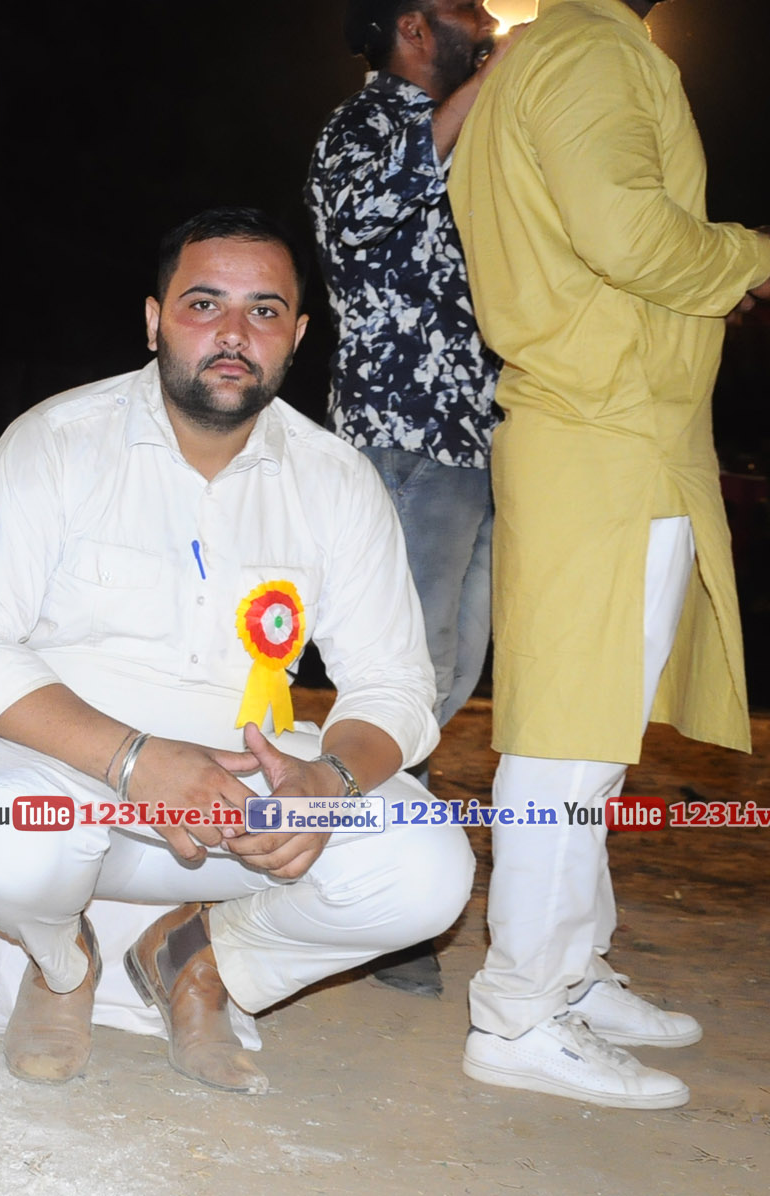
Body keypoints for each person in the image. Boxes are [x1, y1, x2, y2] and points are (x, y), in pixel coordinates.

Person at [0, 207, 474, 1094]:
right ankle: (61, 964)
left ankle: (200, 961)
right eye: (204, 304)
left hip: (246, 807)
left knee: (428, 869)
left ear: (297, 335)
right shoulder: (57, 442)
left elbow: (396, 685)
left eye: (264, 311)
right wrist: (134, 759)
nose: (233, 334)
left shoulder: (336, 480)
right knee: (3, 838)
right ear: (154, 319)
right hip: (68, 779)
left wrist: (327, 783)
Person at [449, 0, 770, 1109]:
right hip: (605, 430)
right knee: (569, 740)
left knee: (590, 733)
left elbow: (602, 246)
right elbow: (630, 237)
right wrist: (765, 259)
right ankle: (520, 1012)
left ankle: (570, 967)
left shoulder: (557, 51)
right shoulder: (592, 50)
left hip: (611, 427)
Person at [305, 0, 511, 998]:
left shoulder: (469, 129)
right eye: (468, 6)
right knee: (405, 669)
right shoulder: (362, 125)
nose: (488, 18)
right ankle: (378, 895)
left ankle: (372, 868)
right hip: (403, 436)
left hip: (477, 439)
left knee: (452, 670)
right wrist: (493, 80)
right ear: (416, 27)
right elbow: (369, 209)